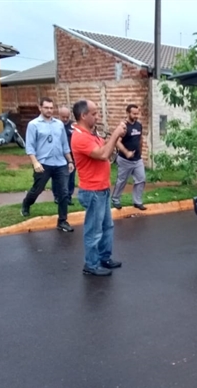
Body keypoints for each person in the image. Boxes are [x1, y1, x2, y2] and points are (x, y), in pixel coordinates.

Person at [71, 99, 126, 276]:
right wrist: (116, 132)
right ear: (83, 115)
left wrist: (116, 137)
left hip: (101, 189)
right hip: (92, 191)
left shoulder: (91, 134)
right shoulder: (80, 137)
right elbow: (103, 154)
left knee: (107, 227)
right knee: (94, 231)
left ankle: (104, 258)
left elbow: (105, 147)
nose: (97, 116)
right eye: (94, 114)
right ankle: (91, 265)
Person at [21, 97, 75, 233]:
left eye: (51, 108)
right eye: (46, 107)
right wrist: (35, 163)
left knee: (63, 193)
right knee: (37, 189)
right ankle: (26, 204)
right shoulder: (33, 125)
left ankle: (62, 221)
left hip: (60, 163)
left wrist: (69, 161)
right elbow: (30, 147)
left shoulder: (59, 124)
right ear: (40, 108)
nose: (49, 110)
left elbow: (64, 144)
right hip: (43, 164)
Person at [111, 104, 147, 211]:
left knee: (141, 179)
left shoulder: (139, 125)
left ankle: (137, 202)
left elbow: (140, 139)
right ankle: (116, 199)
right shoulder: (124, 127)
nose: (136, 116)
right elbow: (117, 142)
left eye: (137, 113)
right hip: (125, 160)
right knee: (122, 180)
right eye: (134, 113)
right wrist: (126, 152)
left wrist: (140, 152)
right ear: (128, 113)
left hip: (137, 159)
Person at [53, 106, 76, 206]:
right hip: (59, 156)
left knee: (71, 177)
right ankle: (57, 196)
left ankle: (68, 197)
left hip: (72, 156)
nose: (65, 119)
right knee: (58, 177)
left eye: (67, 117)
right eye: (63, 117)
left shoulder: (73, 125)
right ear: (59, 116)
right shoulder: (55, 125)